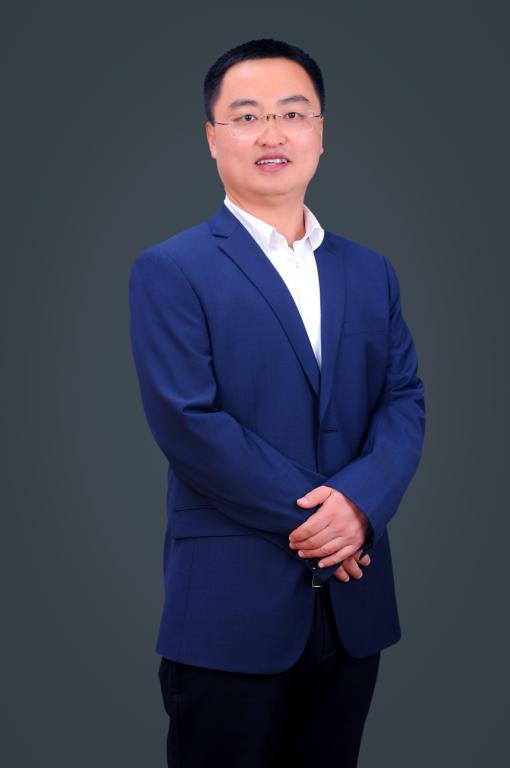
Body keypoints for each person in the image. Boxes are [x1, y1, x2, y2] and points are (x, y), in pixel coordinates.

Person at [128, 37, 426, 768]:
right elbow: (188, 424)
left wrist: (360, 505)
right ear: (212, 137)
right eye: (247, 115)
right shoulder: (171, 269)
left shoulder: (371, 271)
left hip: (353, 608)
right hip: (229, 609)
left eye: (293, 113)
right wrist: (327, 522)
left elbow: (403, 399)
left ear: (320, 133)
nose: (272, 133)